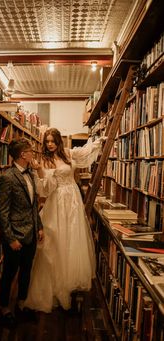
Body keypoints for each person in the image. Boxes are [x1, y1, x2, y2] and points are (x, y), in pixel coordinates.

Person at [24, 128, 106, 313]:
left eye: (53, 141)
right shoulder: (45, 160)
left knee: (72, 239)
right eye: (47, 142)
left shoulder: (68, 153)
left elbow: (85, 152)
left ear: (59, 141)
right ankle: (55, 287)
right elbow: (45, 188)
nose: (50, 144)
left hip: (73, 200)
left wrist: (99, 141)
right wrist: (40, 171)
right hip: (57, 200)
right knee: (55, 242)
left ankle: (70, 284)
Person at [0, 138, 44, 328]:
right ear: (23, 154)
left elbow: (34, 205)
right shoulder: (7, 178)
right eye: (31, 151)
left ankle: (22, 303)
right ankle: (4, 308)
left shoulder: (30, 174)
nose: (33, 154)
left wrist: (39, 226)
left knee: (26, 271)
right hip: (15, 237)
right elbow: (2, 212)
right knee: (9, 273)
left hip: (31, 233)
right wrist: (10, 238)